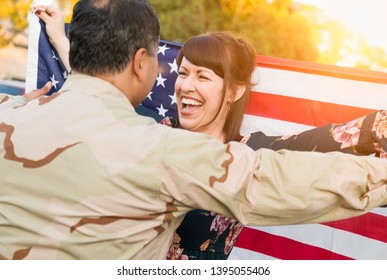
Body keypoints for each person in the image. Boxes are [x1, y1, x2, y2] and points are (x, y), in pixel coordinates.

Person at [1, 0, 387, 260]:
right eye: (182, 72)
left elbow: (347, 136)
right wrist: (57, 37)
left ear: (236, 90)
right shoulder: (153, 130)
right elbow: (100, 83)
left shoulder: (251, 151)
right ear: (142, 62)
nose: (184, 85)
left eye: (204, 76)